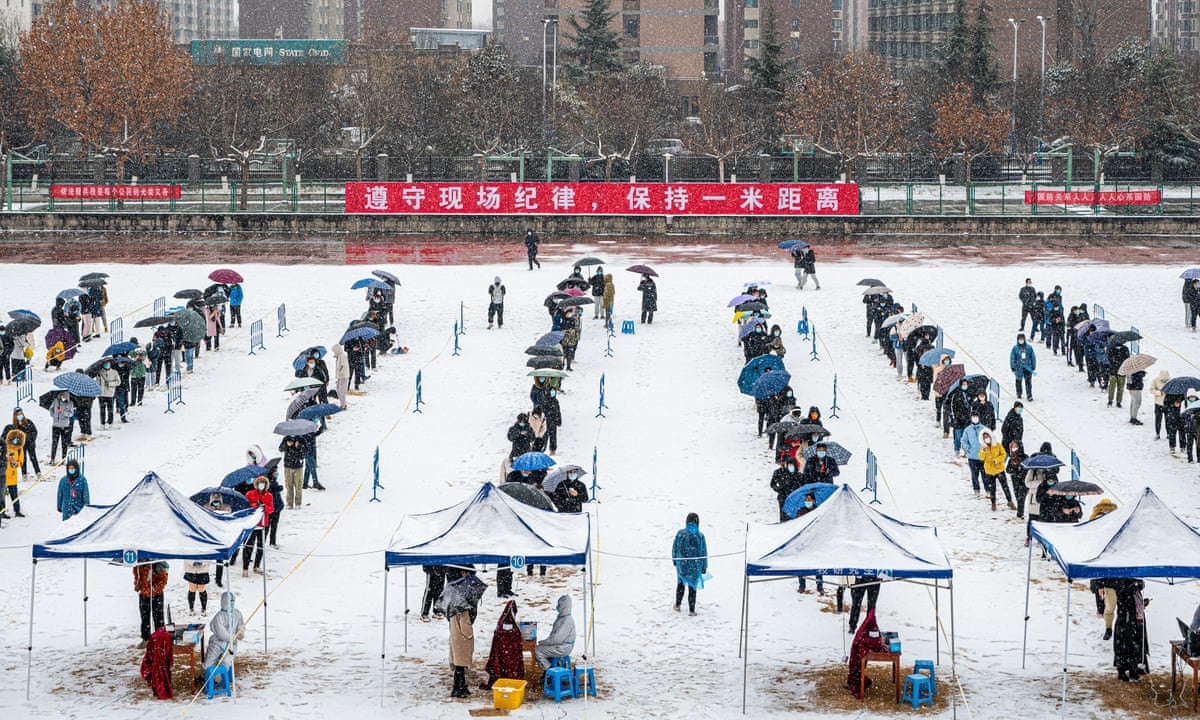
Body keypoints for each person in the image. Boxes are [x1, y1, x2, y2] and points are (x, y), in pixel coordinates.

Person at [438, 565, 487, 699]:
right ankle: (458, 687)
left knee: (458, 655)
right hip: (461, 623)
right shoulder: (462, 588)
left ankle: (460, 685)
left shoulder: (452, 587)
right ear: (463, 572)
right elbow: (469, 606)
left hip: (456, 623)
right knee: (461, 657)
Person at [1112, 578, 1149, 681]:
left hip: (1131, 622)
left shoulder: (1134, 592)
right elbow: (1125, 603)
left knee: (1132, 648)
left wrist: (1142, 604)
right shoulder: (1124, 587)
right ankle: (1124, 672)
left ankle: (1131, 671)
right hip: (1126, 622)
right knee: (1125, 648)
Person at [671, 512, 708, 616]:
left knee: (680, 584)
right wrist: (704, 566)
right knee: (692, 587)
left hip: (682, 564)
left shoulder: (680, 533)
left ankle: (677, 605)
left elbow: (674, 547)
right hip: (695, 566)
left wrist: (674, 560)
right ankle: (692, 610)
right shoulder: (700, 536)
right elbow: (704, 552)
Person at [484, 599, 525, 688]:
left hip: (501, 654)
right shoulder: (508, 626)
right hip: (506, 656)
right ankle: (511, 678)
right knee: (510, 665)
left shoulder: (501, 622)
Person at [847, 609, 886, 699]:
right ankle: (857, 682)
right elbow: (873, 643)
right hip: (859, 658)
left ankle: (857, 680)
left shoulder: (863, 634)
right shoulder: (865, 638)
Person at [203, 591, 246, 671]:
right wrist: (233, 636)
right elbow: (221, 632)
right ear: (224, 601)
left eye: (233, 601)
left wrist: (240, 632)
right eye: (230, 601)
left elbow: (241, 625)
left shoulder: (237, 613)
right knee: (208, 664)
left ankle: (219, 679)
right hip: (217, 643)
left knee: (226, 663)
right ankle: (207, 678)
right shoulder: (219, 616)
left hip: (231, 645)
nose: (232, 603)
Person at [242, 475, 273, 576]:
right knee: (248, 546)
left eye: (263, 483)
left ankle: (257, 565)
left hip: (264, 523)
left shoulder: (269, 495)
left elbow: (271, 509)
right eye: (260, 483)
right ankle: (245, 567)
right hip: (252, 524)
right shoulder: (250, 494)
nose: (262, 485)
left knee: (261, 546)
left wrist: (265, 507)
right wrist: (255, 505)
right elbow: (246, 507)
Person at [536, 594, 576, 669]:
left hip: (563, 648)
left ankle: (550, 669)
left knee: (537, 650)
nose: (558, 607)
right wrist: (546, 642)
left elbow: (557, 639)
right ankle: (553, 667)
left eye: (559, 605)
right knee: (541, 648)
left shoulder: (567, 620)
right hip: (560, 646)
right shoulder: (562, 617)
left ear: (564, 606)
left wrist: (544, 642)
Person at [134, 561, 168, 646]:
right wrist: (137, 584)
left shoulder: (156, 564)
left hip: (156, 595)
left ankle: (160, 639)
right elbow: (136, 577)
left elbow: (163, 579)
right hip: (143, 595)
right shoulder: (137, 566)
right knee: (144, 617)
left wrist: (155, 588)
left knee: (158, 617)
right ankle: (146, 638)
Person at [979, 430, 1012, 511]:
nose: (986, 439)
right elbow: (981, 457)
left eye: (987, 437)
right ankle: (993, 503)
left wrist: (997, 460)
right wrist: (983, 451)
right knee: (992, 488)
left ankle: (1009, 501)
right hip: (989, 471)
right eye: (984, 438)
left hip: (999, 469)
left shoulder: (997, 445)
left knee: (1005, 486)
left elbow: (1003, 454)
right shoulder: (983, 447)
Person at [4, 407, 41, 480]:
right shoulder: (14, 426)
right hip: (21, 446)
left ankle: (38, 472)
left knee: (33, 458)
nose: (20, 416)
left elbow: (34, 431)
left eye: (21, 414)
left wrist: (30, 438)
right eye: (18, 414)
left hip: (30, 444)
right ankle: (24, 474)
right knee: (23, 459)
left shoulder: (28, 422)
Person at [961, 411, 986, 495]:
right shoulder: (968, 430)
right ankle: (976, 490)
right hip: (972, 457)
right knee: (974, 475)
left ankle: (988, 490)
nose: (975, 418)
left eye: (976, 416)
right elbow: (964, 441)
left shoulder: (983, 429)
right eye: (973, 417)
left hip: (983, 457)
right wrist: (968, 450)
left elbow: (989, 440)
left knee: (985, 476)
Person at [279, 435, 305, 509]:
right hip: (288, 466)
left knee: (298, 485)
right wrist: (286, 445)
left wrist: (299, 446)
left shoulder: (301, 438)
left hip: (298, 466)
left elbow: (306, 450)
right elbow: (280, 448)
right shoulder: (286, 438)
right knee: (288, 485)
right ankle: (289, 503)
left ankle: (298, 503)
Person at [48, 391, 74, 464]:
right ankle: (52, 458)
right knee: (54, 443)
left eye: (65, 395)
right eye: (62, 395)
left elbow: (70, 413)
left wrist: (62, 412)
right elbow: (51, 409)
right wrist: (54, 415)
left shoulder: (70, 403)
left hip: (65, 426)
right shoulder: (56, 401)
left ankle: (63, 458)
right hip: (56, 425)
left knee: (64, 443)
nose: (63, 397)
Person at [1006, 441, 1029, 519]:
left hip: (1024, 481)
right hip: (1015, 481)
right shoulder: (1012, 458)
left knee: (1021, 498)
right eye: (1012, 447)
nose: (1014, 449)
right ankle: (1020, 512)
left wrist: (1020, 469)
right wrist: (1013, 466)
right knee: (1017, 497)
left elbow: (1028, 469)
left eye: (1015, 447)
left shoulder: (1025, 457)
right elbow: (1008, 470)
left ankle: (1020, 515)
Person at [1010, 333, 1036, 401]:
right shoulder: (1015, 348)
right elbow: (1012, 358)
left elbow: (1033, 357)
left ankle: (1029, 395)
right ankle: (1019, 393)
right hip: (1018, 368)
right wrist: (1013, 366)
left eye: (1022, 339)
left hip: (1027, 367)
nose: (1021, 340)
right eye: (1020, 339)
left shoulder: (1029, 348)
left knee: (1028, 382)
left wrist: (1033, 365)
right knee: (1018, 380)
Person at [3, 428, 23, 518]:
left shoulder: (19, 450)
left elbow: (21, 461)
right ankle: (2, 512)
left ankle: (17, 510)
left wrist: (14, 463)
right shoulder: (4, 447)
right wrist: (6, 459)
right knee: (1, 495)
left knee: (14, 495)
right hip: (3, 475)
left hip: (13, 476)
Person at [96, 360, 119, 428]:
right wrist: (98, 378)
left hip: (110, 394)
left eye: (108, 363)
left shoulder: (114, 372)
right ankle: (102, 424)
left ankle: (110, 423)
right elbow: (97, 383)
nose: (107, 365)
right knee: (102, 410)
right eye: (105, 363)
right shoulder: (99, 372)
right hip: (101, 394)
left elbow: (118, 382)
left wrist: (110, 384)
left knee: (110, 410)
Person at [1107, 342, 1130, 408]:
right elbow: (1110, 358)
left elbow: (1127, 359)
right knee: (1116, 387)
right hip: (1116, 371)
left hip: (1117, 371)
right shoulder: (1113, 349)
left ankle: (1116, 401)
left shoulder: (1124, 349)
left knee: (1117, 387)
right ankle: (1113, 400)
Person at [1151, 369, 1172, 439]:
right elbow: (1151, 389)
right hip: (1158, 403)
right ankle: (1157, 433)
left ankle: (1168, 433)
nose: (1164, 380)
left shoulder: (1171, 381)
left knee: (1168, 420)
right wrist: (1159, 393)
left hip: (1168, 403)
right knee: (1158, 419)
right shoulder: (1155, 380)